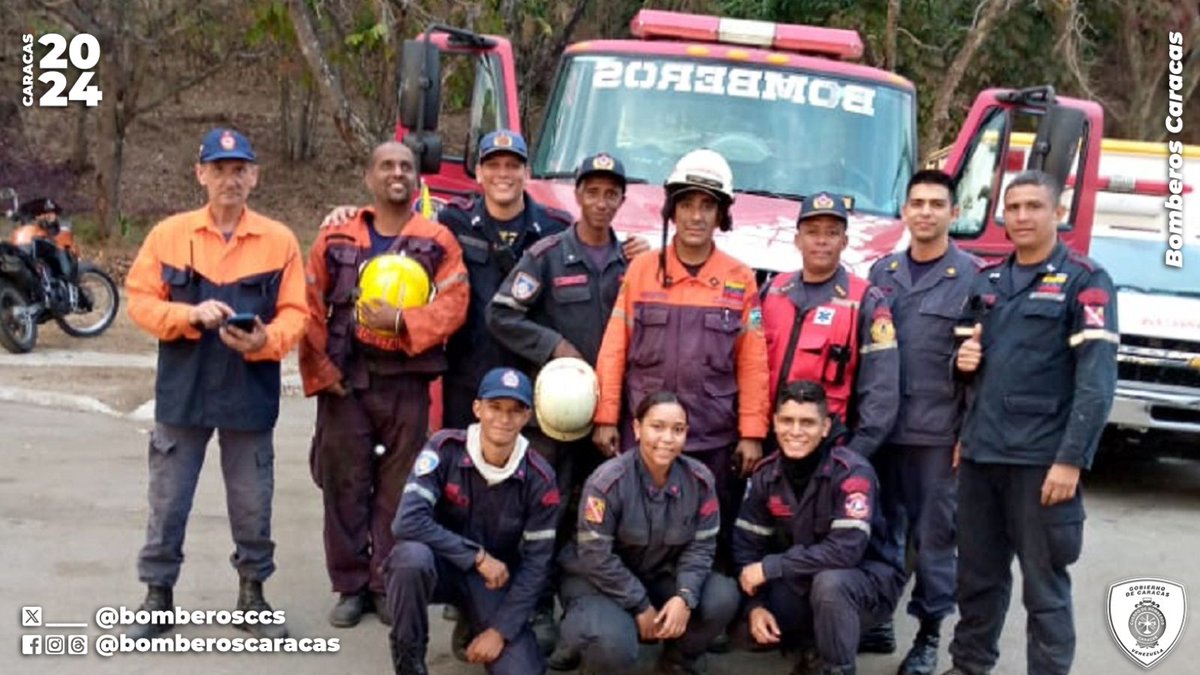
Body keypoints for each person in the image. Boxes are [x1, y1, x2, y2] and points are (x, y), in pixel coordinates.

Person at [123, 128, 307, 639]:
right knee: (168, 497)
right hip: (184, 389)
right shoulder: (169, 235)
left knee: (253, 500)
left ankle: (253, 596)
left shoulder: (280, 240)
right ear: (200, 174)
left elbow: (297, 312)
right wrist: (188, 313)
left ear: (255, 177)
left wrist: (266, 340)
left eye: (240, 169)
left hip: (249, 387)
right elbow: (139, 300)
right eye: (219, 169)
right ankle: (157, 597)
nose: (230, 179)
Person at [943, 170, 1118, 675]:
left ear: (1057, 214)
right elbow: (958, 357)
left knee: (1044, 587)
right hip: (980, 456)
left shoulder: (1086, 281)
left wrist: (1071, 460)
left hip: (1041, 464)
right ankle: (969, 666)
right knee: (976, 579)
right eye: (1013, 207)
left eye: (1033, 207)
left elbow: (1096, 382)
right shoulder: (989, 279)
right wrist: (962, 358)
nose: (1021, 216)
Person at [299, 141, 469, 628]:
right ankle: (350, 585)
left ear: (418, 180)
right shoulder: (336, 236)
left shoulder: (438, 240)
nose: (397, 173)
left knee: (400, 489)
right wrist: (321, 372)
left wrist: (401, 321)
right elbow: (308, 303)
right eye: (387, 165)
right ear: (369, 178)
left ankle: (383, 583)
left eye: (406, 167)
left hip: (406, 385)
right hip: (345, 383)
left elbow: (455, 303)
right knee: (343, 485)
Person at [486, 152, 634, 660]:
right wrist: (553, 345)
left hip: (608, 416)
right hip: (554, 419)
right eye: (591, 191)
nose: (600, 201)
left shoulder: (633, 262)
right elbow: (502, 314)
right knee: (544, 510)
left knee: (594, 517)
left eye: (610, 193)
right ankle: (536, 608)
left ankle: (585, 613)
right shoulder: (547, 254)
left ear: (621, 199)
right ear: (578, 195)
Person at [592, 148, 770, 567]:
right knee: (636, 529)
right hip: (645, 437)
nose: (695, 216)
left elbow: (753, 362)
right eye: (687, 204)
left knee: (710, 534)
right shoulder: (641, 271)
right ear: (671, 211)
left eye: (707, 205)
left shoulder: (739, 278)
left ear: (721, 215)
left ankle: (703, 618)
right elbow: (614, 347)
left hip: (713, 437)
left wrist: (752, 432)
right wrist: (604, 417)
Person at [864, 170, 980, 674]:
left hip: (938, 433)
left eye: (937, 204)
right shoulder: (880, 273)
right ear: (905, 211)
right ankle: (879, 616)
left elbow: (983, 364)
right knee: (879, 530)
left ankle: (929, 636)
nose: (926, 212)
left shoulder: (975, 277)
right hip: (882, 430)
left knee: (934, 541)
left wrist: (968, 433)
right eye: (918, 203)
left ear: (954, 214)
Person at [385, 367, 560, 675]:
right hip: (441, 567)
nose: (504, 419)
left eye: (514, 411)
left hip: (494, 581)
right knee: (410, 559)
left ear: (526, 417)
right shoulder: (444, 449)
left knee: (521, 671)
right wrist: (475, 556)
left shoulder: (540, 477)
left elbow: (537, 565)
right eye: (495, 407)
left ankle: (477, 619)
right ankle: (409, 661)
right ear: (477, 408)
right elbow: (406, 522)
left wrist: (500, 632)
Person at [558, 391, 740, 675]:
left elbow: (701, 547)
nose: (668, 438)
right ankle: (594, 661)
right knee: (613, 644)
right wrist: (640, 604)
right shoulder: (607, 482)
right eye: (657, 427)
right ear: (636, 428)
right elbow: (596, 557)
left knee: (722, 597)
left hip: (657, 575)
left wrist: (684, 596)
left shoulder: (700, 481)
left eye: (677, 430)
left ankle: (677, 662)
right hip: (598, 584)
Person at [732, 380, 905, 675]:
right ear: (774, 423)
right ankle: (812, 648)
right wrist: (755, 607)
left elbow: (845, 552)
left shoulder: (852, 472)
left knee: (831, 585)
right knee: (742, 631)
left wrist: (772, 567)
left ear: (825, 427)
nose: (795, 431)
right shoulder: (766, 474)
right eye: (787, 420)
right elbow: (746, 548)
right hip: (805, 576)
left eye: (807, 423)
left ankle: (837, 667)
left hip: (868, 581)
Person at [760, 191, 899, 461]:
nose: (821, 241)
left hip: (830, 448)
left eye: (832, 233)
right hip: (769, 443)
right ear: (797, 239)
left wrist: (853, 455)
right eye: (812, 232)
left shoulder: (866, 301)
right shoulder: (771, 291)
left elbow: (881, 391)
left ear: (844, 241)